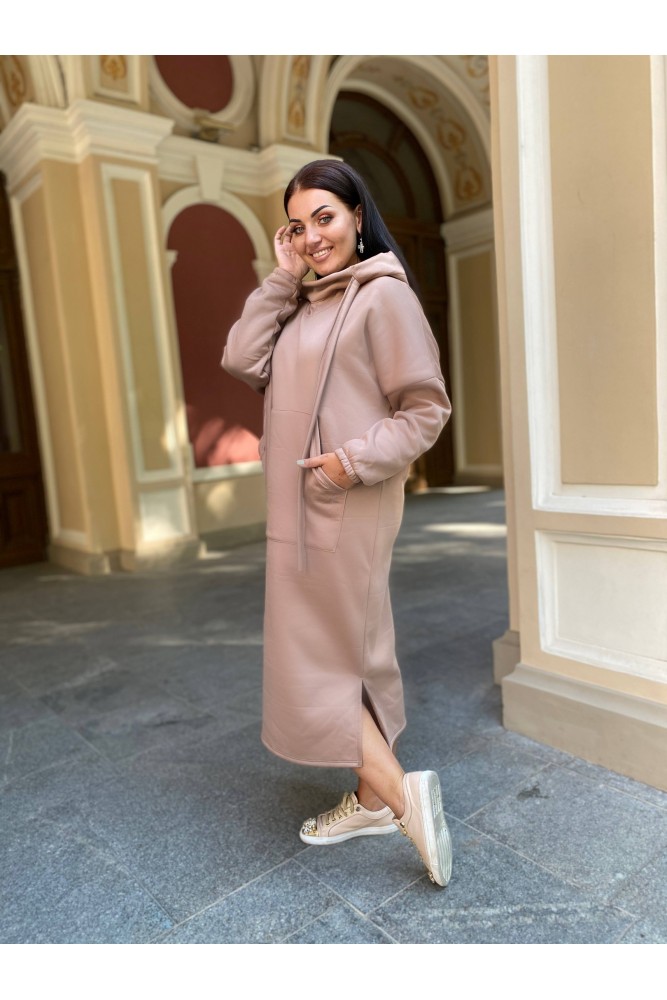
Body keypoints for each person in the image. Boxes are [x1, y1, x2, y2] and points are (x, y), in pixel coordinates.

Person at [222, 159, 453, 886]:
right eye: (297, 225)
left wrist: (347, 465)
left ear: (358, 215)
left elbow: (425, 410)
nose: (312, 236)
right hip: (299, 505)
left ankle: (401, 797)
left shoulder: (384, 297)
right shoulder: (302, 302)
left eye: (324, 217)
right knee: (356, 651)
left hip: (345, 498)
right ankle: (371, 802)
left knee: (316, 655)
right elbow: (240, 357)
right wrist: (282, 274)